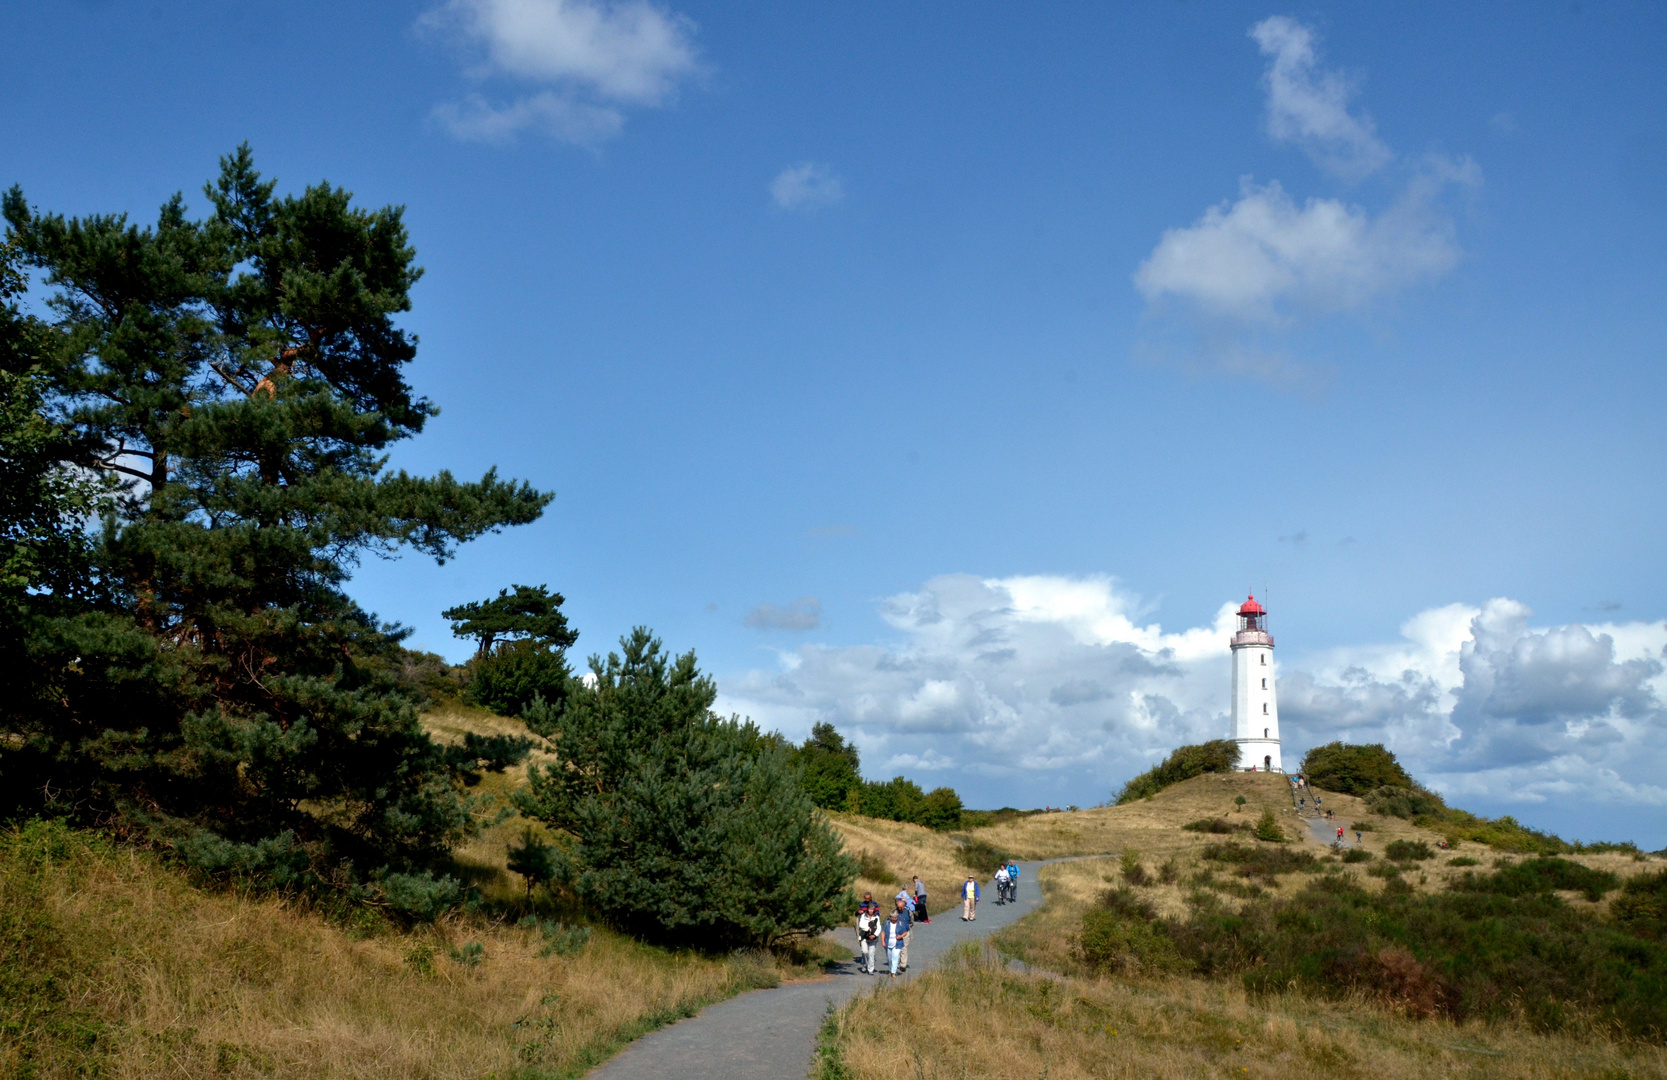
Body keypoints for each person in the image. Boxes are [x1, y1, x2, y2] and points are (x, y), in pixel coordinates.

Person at [856, 904, 878, 974]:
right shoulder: (863, 916)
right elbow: (861, 925)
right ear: (867, 909)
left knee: (871, 953)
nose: (871, 911)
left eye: (872, 909)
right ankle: (865, 964)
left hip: (873, 938)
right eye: (869, 909)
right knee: (864, 951)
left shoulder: (876, 917)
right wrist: (868, 929)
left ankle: (870, 969)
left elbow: (879, 927)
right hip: (864, 936)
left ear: (874, 910)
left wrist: (875, 935)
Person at [893, 896, 913, 971]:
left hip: (905, 933)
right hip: (896, 933)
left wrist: (907, 928)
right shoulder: (894, 911)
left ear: (904, 906)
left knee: (904, 949)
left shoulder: (908, 912)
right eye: (898, 907)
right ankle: (897, 963)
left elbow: (911, 922)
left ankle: (903, 965)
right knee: (897, 948)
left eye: (901, 907)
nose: (899, 909)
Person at [882, 911, 903, 978]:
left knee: (895, 957)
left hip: (897, 943)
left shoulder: (900, 923)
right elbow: (883, 933)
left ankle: (893, 972)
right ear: (890, 917)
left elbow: (905, 932)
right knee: (889, 958)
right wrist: (882, 941)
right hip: (888, 943)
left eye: (895, 917)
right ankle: (890, 970)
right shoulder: (886, 923)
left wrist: (901, 936)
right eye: (893, 917)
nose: (894, 919)